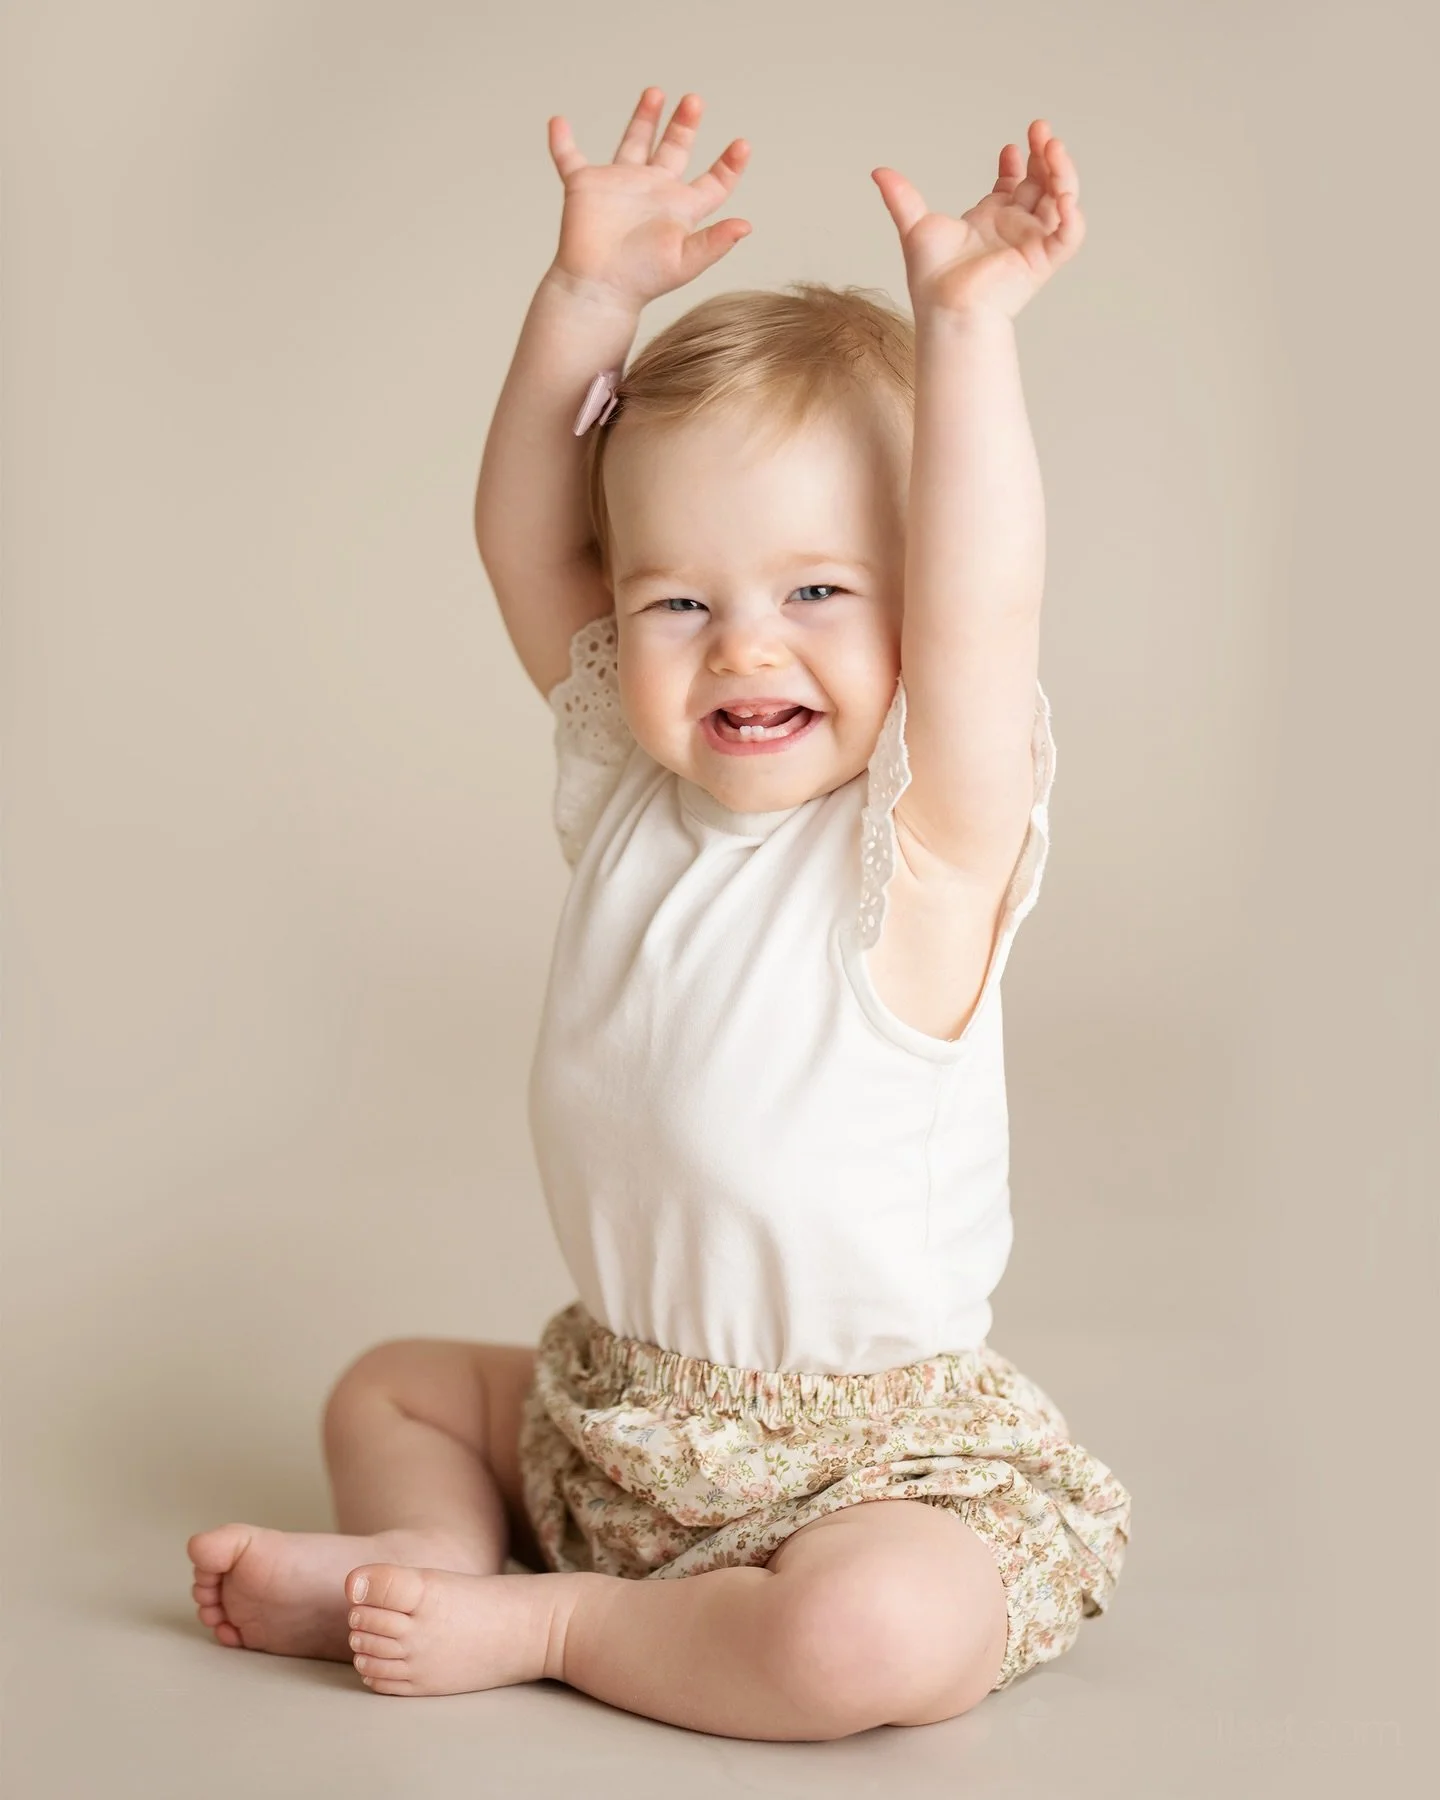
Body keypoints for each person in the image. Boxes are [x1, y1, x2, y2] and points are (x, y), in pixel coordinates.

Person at [187, 85, 1131, 1742]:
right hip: (616, 1413)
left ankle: (552, 1616)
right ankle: (427, 1551)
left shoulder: (918, 853)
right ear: (626, 626)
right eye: (680, 602)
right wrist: (587, 305)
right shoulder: (632, 790)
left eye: (820, 592)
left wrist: (965, 330)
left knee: (873, 1641)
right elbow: (519, 537)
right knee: (390, 1387)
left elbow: (991, 605)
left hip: (865, 1469)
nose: (744, 648)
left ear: (911, 619)